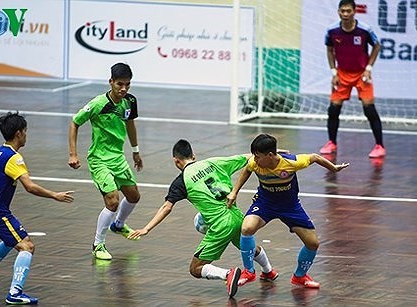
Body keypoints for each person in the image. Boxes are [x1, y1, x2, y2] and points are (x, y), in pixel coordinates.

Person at [128, 139, 277, 298]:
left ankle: (228, 274)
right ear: (193, 155)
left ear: (176, 161)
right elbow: (247, 157)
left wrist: (146, 228)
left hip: (220, 225)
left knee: (195, 268)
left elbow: (166, 207)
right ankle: (268, 271)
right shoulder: (213, 162)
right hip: (237, 216)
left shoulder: (181, 181)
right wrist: (275, 153)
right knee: (248, 246)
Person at [0, 112, 74, 305]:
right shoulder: (14, 158)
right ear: (19, 133)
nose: (27, 135)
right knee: (27, 246)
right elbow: (30, 187)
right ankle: (15, 293)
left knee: (12, 239)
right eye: (25, 131)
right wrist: (55, 195)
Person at [227, 133, 349, 288]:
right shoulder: (255, 163)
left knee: (313, 243)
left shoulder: (292, 162)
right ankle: (249, 271)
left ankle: (300, 276)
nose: (255, 160)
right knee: (246, 227)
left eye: (258, 156)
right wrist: (234, 192)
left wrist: (334, 168)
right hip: (265, 203)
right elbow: (246, 170)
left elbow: (315, 157)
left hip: (290, 207)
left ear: (270, 155)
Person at [68, 62, 143, 261]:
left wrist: (135, 151)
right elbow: (75, 122)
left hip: (118, 158)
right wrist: (73, 154)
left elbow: (130, 124)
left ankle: (118, 225)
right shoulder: (98, 104)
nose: (124, 89)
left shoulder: (130, 101)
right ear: (111, 82)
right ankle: (97, 244)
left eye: (127, 84)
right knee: (112, 201)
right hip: (99, 159)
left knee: (134, 196)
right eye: (119, 84)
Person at [319, 0, 385, 158]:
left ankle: (379, 146)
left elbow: (377, 46)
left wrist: (368, 69)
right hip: (342, 74)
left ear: (354, 11)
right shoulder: (332, 31)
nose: (345, 14)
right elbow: (329, 50)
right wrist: (334, 72)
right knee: (333, 109)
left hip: (362, 74)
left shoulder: (364, 30)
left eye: (348, 11)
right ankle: (332, 143)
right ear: (338, 12)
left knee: (369, 109)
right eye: (342, 11)